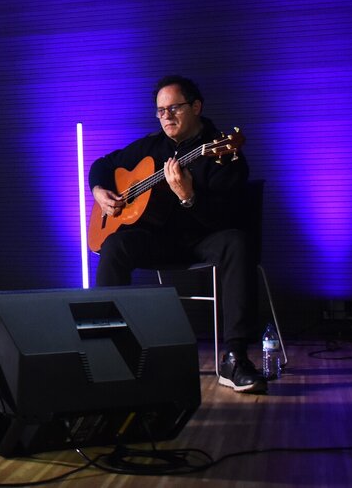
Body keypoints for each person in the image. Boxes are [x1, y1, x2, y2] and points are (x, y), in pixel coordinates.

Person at [89, 75, 266, 393]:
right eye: (160, 110)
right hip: (160, 241)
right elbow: (103, 164)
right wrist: (100, 191)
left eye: (174, 108)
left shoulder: (222, 151)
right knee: (114, 244)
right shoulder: (151, 146)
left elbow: (228, 216)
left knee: (238, 242)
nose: (166, 116)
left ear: (196, 107)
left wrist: (189, 197)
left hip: (205, 239)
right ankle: (109, 351)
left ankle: (235, 359)